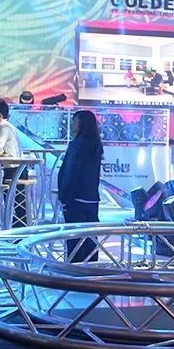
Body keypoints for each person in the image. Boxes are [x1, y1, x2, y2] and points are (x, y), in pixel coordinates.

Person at [57, 110, 104, 261]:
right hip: (91, 198)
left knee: (75, 238)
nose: (72, 125)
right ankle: (91, 269)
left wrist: (64, 197)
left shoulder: (76, 145)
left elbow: (70, 173)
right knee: (90, 238)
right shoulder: (96, 145)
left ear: (82, 124)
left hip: (75, 199)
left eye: (74, 122)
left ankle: (74, 271)